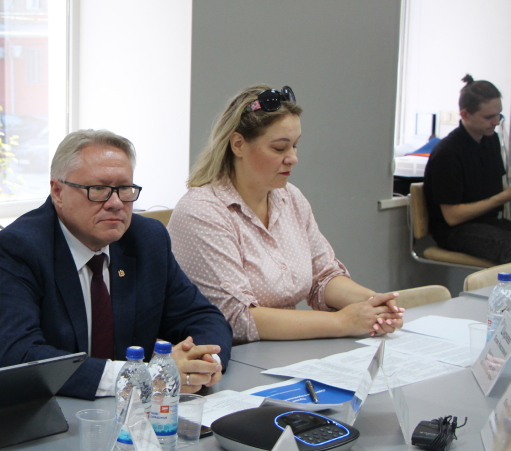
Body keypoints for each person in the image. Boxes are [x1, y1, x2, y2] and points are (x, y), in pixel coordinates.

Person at [0, 129, 233, 400]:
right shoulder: (18, 248)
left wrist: (202, 364)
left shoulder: (147, 239)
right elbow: (19, 356)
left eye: (124, 189)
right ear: (58, 191)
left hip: (120, 413)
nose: (115, 203)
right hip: (17, 413)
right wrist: (140, 377)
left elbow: (204, 318)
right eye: (98, 189)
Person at [168, 85, 404, 344]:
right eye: (280, 148)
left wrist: (374, 303)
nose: (293, 158)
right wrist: (344, 322)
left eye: (295, 146)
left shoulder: (290, 198)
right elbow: (237, 318)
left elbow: (323, 276)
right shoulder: (202, 211)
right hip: (228, 357)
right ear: (238, 145)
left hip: (281, 350)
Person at [423, 75, 508, 262]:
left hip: (488, 223)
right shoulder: (447, 153)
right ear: (465, 115)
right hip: (455, 231)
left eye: (498, 115)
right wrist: (503, 197)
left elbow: (495, 186)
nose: (496, 122)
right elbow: (452, 217)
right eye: (489, 117)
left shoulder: (490, 140)